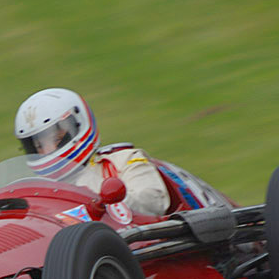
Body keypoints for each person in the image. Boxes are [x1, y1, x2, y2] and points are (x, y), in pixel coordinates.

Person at [14, 87, 172, 216]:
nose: (47, 150)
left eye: (56, 139)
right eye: (39, 145)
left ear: (78, 123)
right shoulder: (36, 189)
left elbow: (155, 205)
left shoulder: (123, 160)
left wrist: (104, 200)